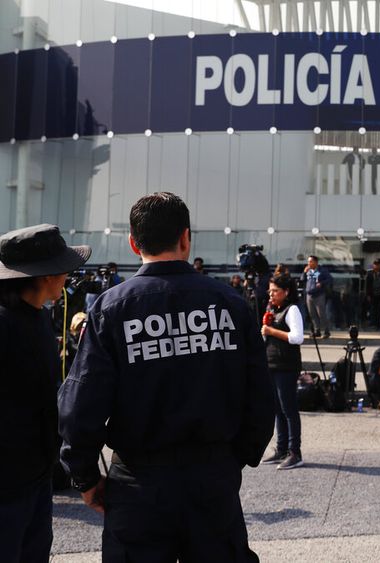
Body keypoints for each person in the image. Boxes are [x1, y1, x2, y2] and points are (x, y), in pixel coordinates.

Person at [58, 192, 274, 561]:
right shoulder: (231, 304)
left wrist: (85, 477)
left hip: (139, 483)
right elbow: (261, 398)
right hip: (212, 479)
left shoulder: (112, 309)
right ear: (186, 238)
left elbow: (80, 406)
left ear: (133, 242)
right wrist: (232, 460)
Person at [0, 224, 90, 561]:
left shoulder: (39, 317)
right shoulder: (5, 323)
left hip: (37, 475)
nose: (68, 275)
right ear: (46, 275)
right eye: (63, 268)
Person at [260, 274, 305, 470]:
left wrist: (271, 331)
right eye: (270, 291)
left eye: (275, 291)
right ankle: (281, 448)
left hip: (287, 366)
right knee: (277, 409)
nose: (271, 294)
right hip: (272, 364)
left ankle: (295, 452)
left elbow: (297, 337)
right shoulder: (273, 309)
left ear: (286, 292)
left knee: (289, 409)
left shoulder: (292, 309)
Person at [302, 255, 332, 339]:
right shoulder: (308, 271)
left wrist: (321, 283)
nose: (309, 263)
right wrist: (304, 272)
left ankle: (326, 331)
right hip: (309, 295)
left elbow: (330, 279)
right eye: (308, 261)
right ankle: (316, 331)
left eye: (310, 261)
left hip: (319, 295)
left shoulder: (322, 270)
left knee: (321, 314)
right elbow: (302, 279)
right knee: (312, 314)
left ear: (316, 262)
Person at [366, 259, 380, 328]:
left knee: (379, 309)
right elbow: (367, 285)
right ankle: (373, 323)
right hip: (372, 294)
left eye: (377, 264)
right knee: (372, 309)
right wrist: (368, 295)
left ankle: (378, 323)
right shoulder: (370, 273)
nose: (376, 266)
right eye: (375, 264)